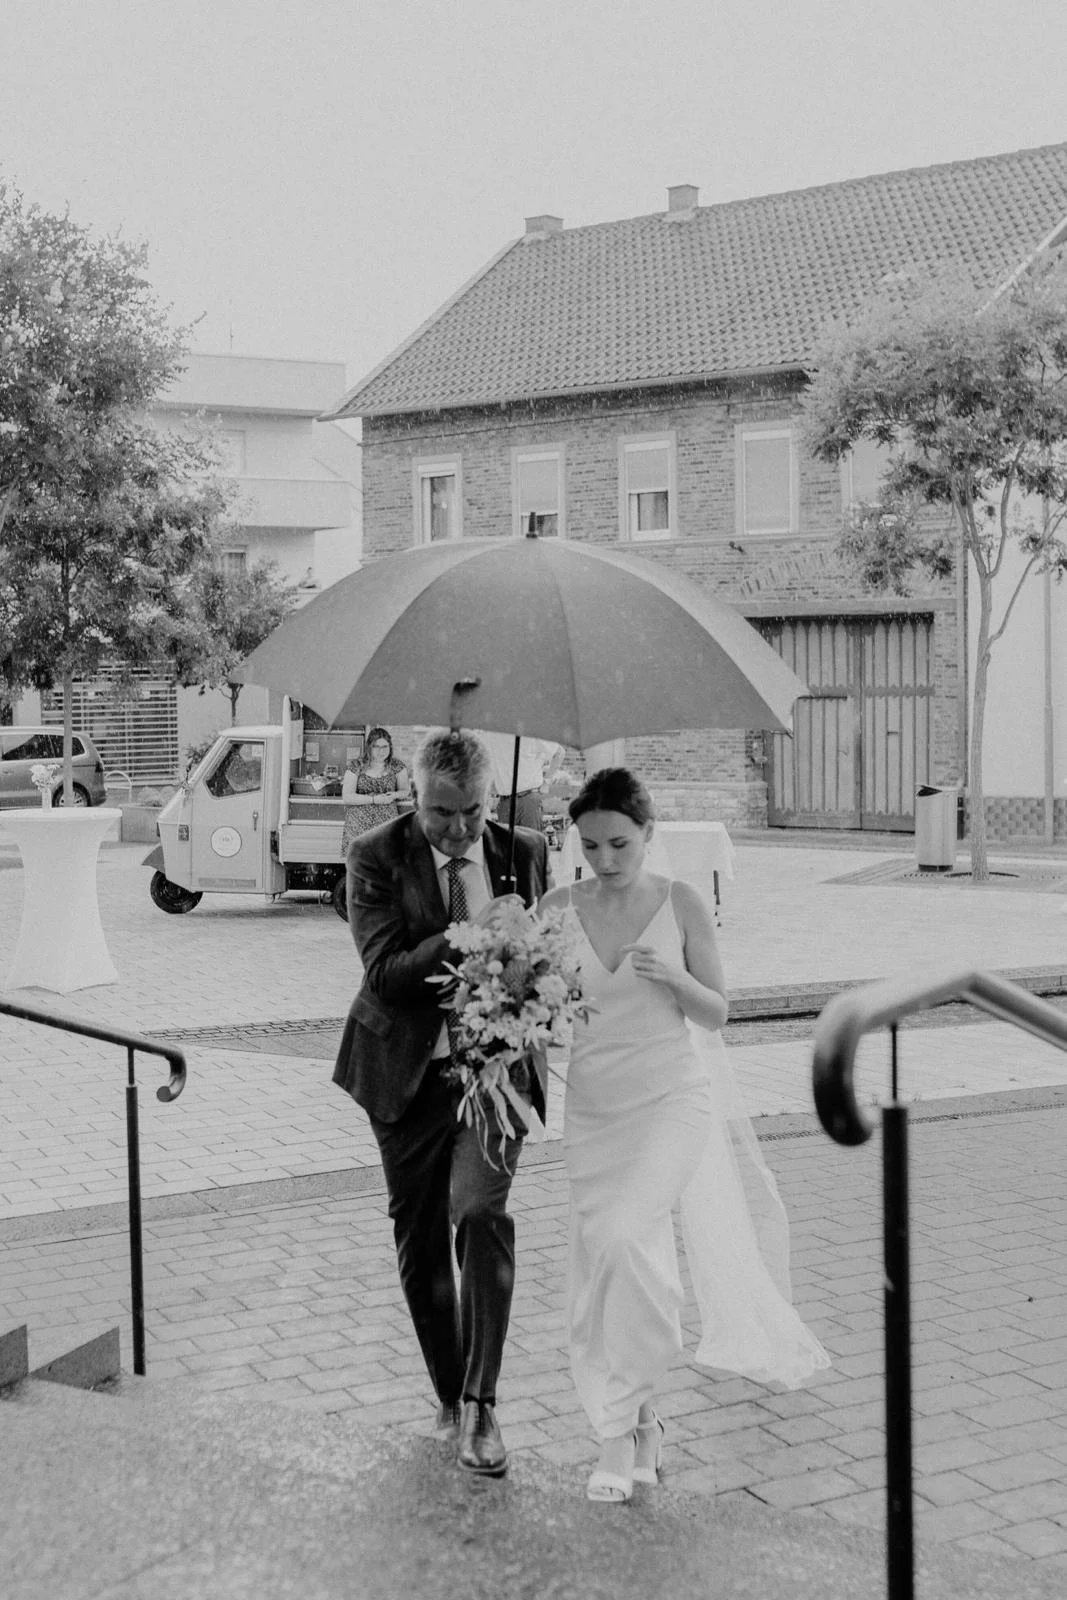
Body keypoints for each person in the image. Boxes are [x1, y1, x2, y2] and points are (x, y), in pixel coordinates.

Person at [539, 768, 830, 1504]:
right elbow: (542, 1013)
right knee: (604, 1258)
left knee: (623, 1241)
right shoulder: (556, 908)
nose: (604, 859)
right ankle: (642, 1422)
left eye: (619, 844)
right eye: (590, 846)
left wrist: (672, 977)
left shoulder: (681, 903)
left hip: (671, 1100)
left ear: (648, 834)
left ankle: (613, 1433)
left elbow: (716, 1011)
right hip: (593, 1107)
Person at [333, 728, 552, 1477]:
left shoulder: (523, 851)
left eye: (472, 812)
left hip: (496, 1072)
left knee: (480, 1212)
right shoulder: (374, 855)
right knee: (420, 1236)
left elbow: (545, 961)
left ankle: (483, 1404)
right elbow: (386, 972)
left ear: (491, 798)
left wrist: (532, 958)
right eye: (441, 813)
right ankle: (451, 1395)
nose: (459, 829)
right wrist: (469, 935)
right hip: (404, 1072)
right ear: (415, 795)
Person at [476, 730, 563, 832]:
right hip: (505, 803)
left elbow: (559, 753)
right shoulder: (488, 735)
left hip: (528, 800)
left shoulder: (528, 731)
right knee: (506, 842)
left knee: (531, 840)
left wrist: (546, 782)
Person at [340, 727, 410, 854]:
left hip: (386, 825)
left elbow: (405, 790)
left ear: (390, 747)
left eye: (385, 747)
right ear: (369, 747)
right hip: (359, 825)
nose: (380, 751)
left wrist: (395, 795)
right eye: (376, 746)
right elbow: (347, 797)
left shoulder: (397, 766)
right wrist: (373, 799)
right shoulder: (356, 766)